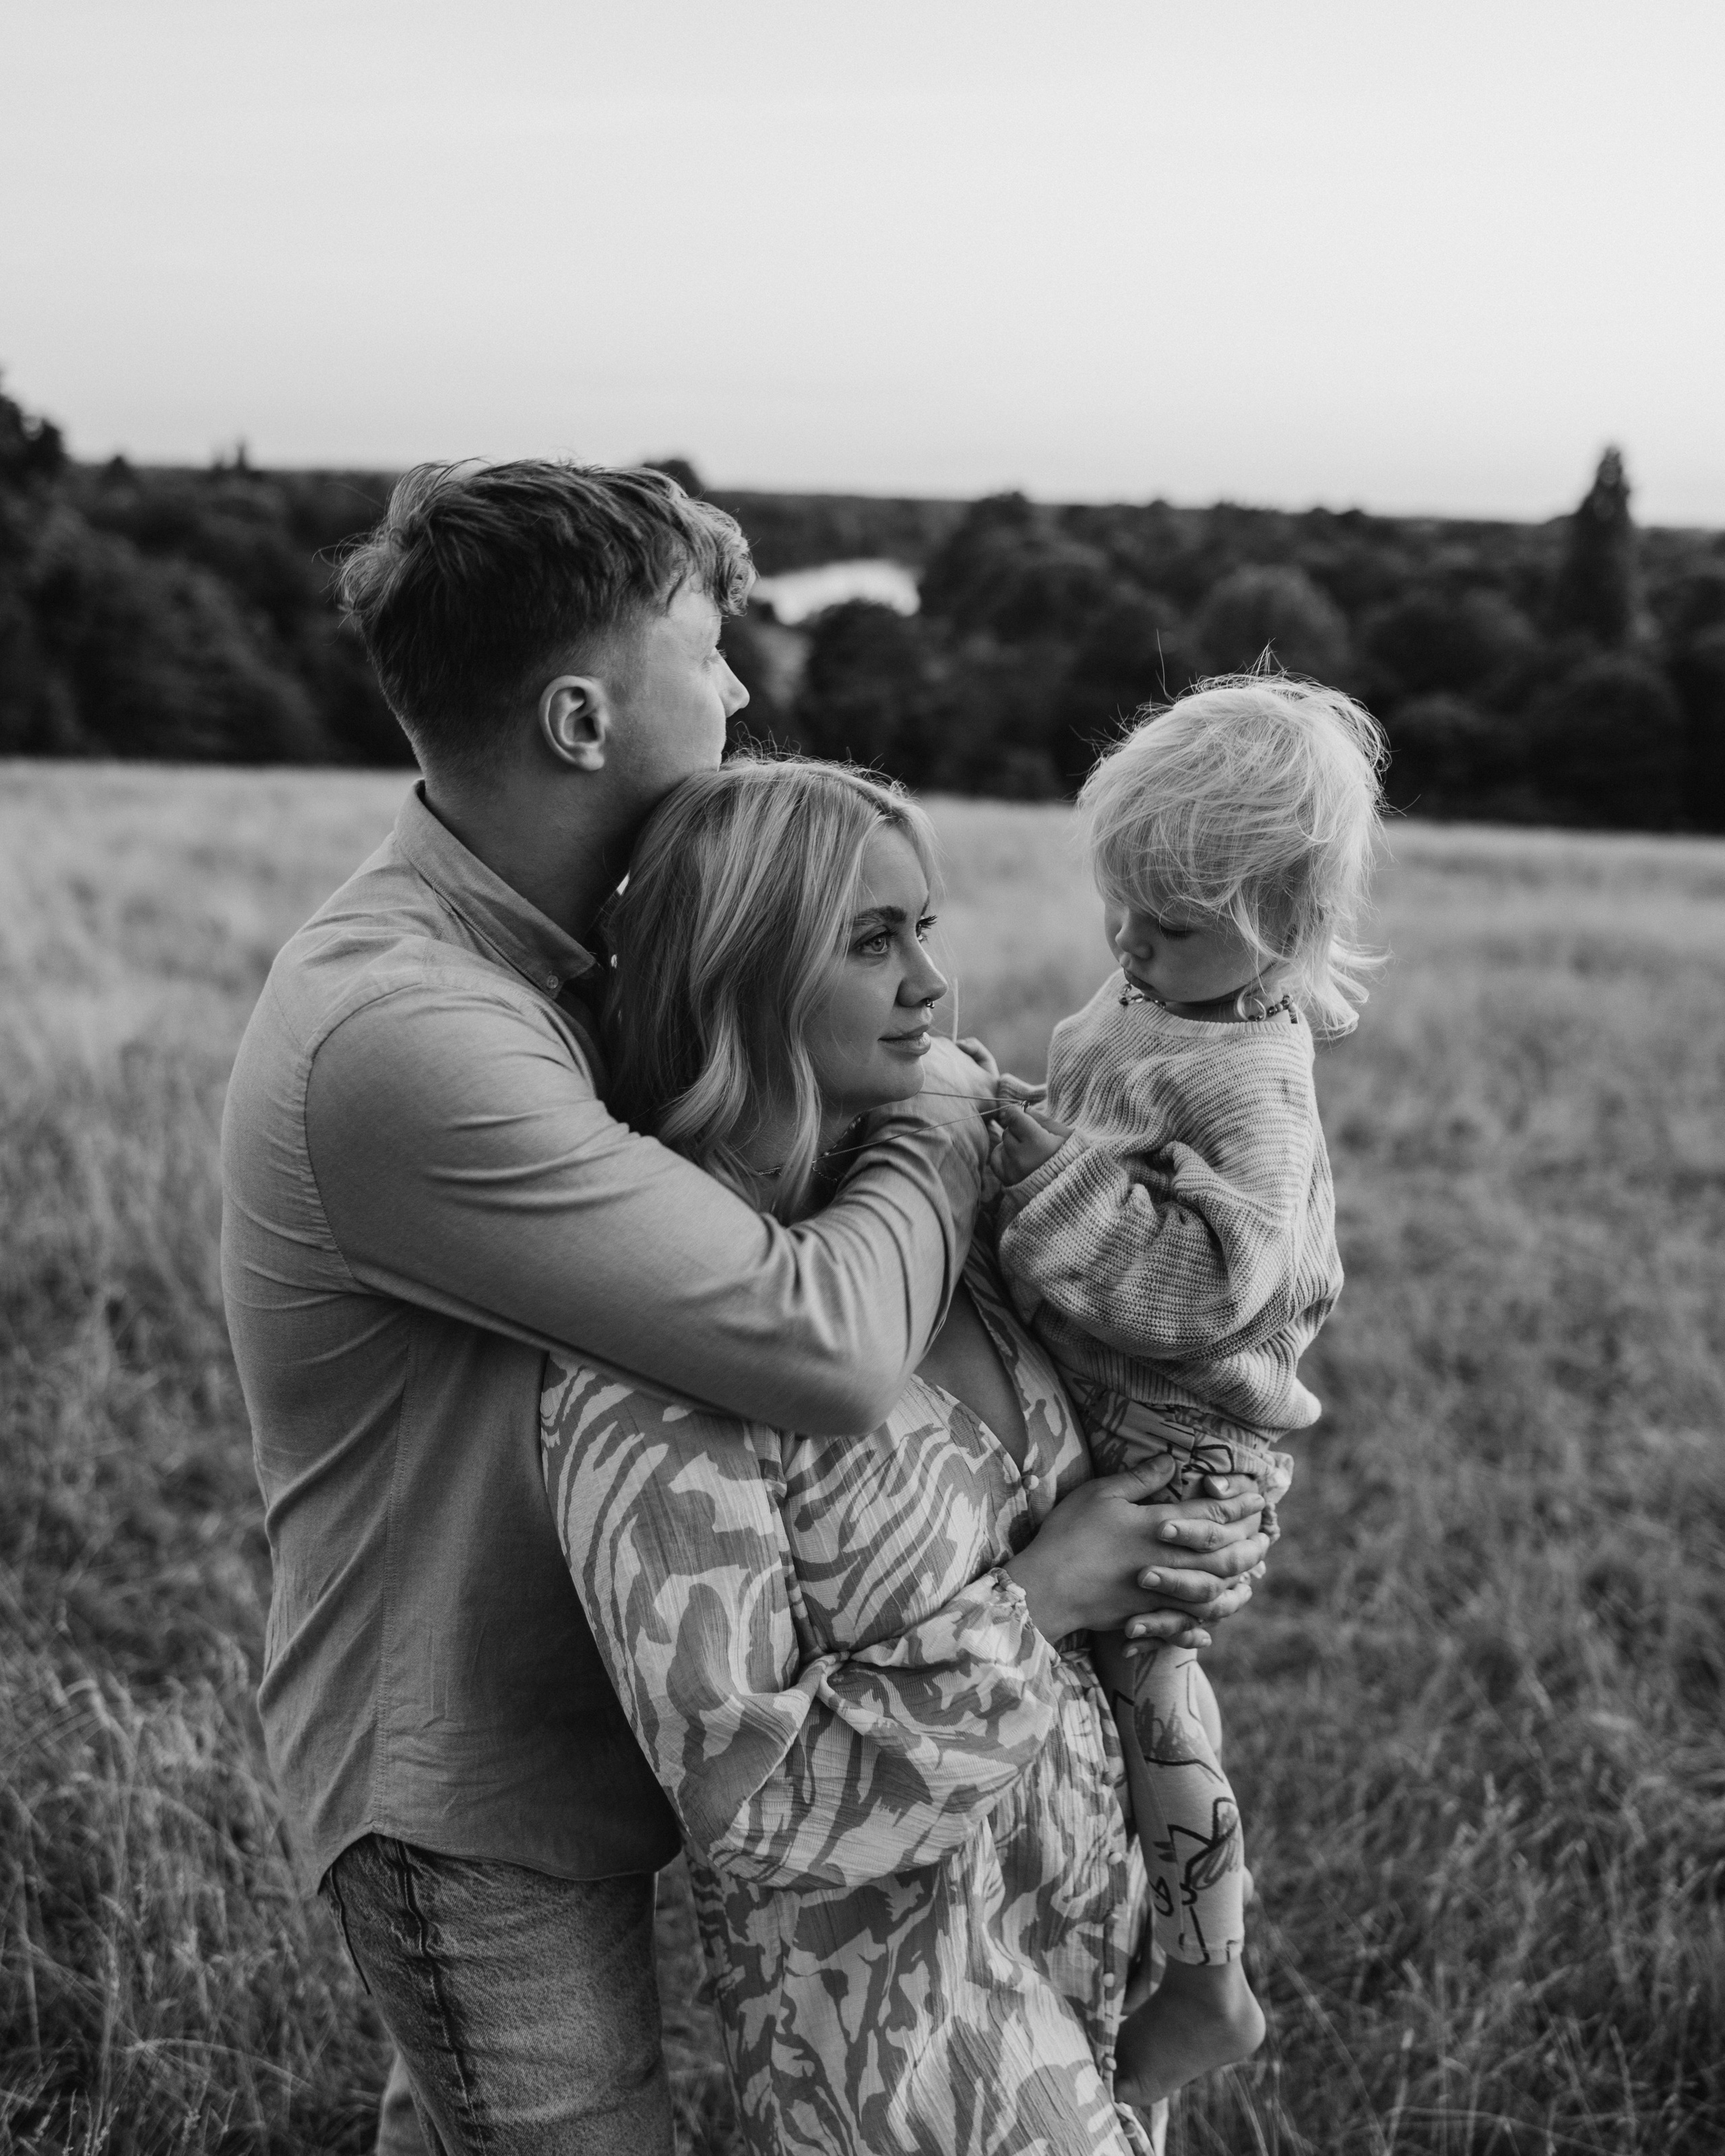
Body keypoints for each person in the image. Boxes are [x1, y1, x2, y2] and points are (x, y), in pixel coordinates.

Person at [220, 462, 1007, 2155]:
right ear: (582, 717)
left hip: (586, 1721)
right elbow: (817, 1340)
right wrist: (940, 1104)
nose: (736, 691)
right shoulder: (413, 1028)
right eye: (707, 653)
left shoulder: (559, 961)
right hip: (468, 1780)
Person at [540, 757, 1274, 2156]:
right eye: (874, 942)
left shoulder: (948, 1207)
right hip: (905, 2044)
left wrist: (1193, 1547)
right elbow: (746, 1799)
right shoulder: (646, 1357)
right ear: (734, 970)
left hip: (1090, 1950)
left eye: (922, 927)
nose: (933, 986)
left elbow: (1155, 1403)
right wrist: (1044, 1596)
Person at [986, 672, 1387, 2105]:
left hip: (1184, 1431)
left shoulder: (1251, 1086)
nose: (1133, 942)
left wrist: (1037, 1174)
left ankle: (1209, 1981)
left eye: (1172, 921)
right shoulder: (1152, 992)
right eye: (1125, 908)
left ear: (1284, 922)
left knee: (1151, 1677)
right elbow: (1082, 1128)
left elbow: (1208, 1288)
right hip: (1111, 1398)